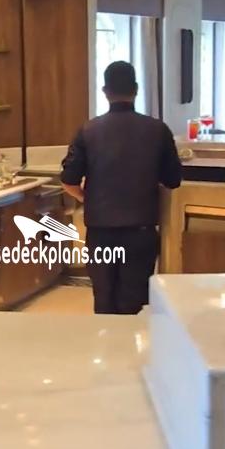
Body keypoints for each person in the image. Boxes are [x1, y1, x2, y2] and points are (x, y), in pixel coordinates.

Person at [60, 61, 182, 315]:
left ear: (105, 91)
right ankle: (133, 341)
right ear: (136, 89)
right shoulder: (157, 130)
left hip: (100, 231)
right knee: (135, 302)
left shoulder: (87, 130)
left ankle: (105, 340)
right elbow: (173, 179)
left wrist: (88, 198)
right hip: (141, 231)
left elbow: (69, 181)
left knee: (104, 298)